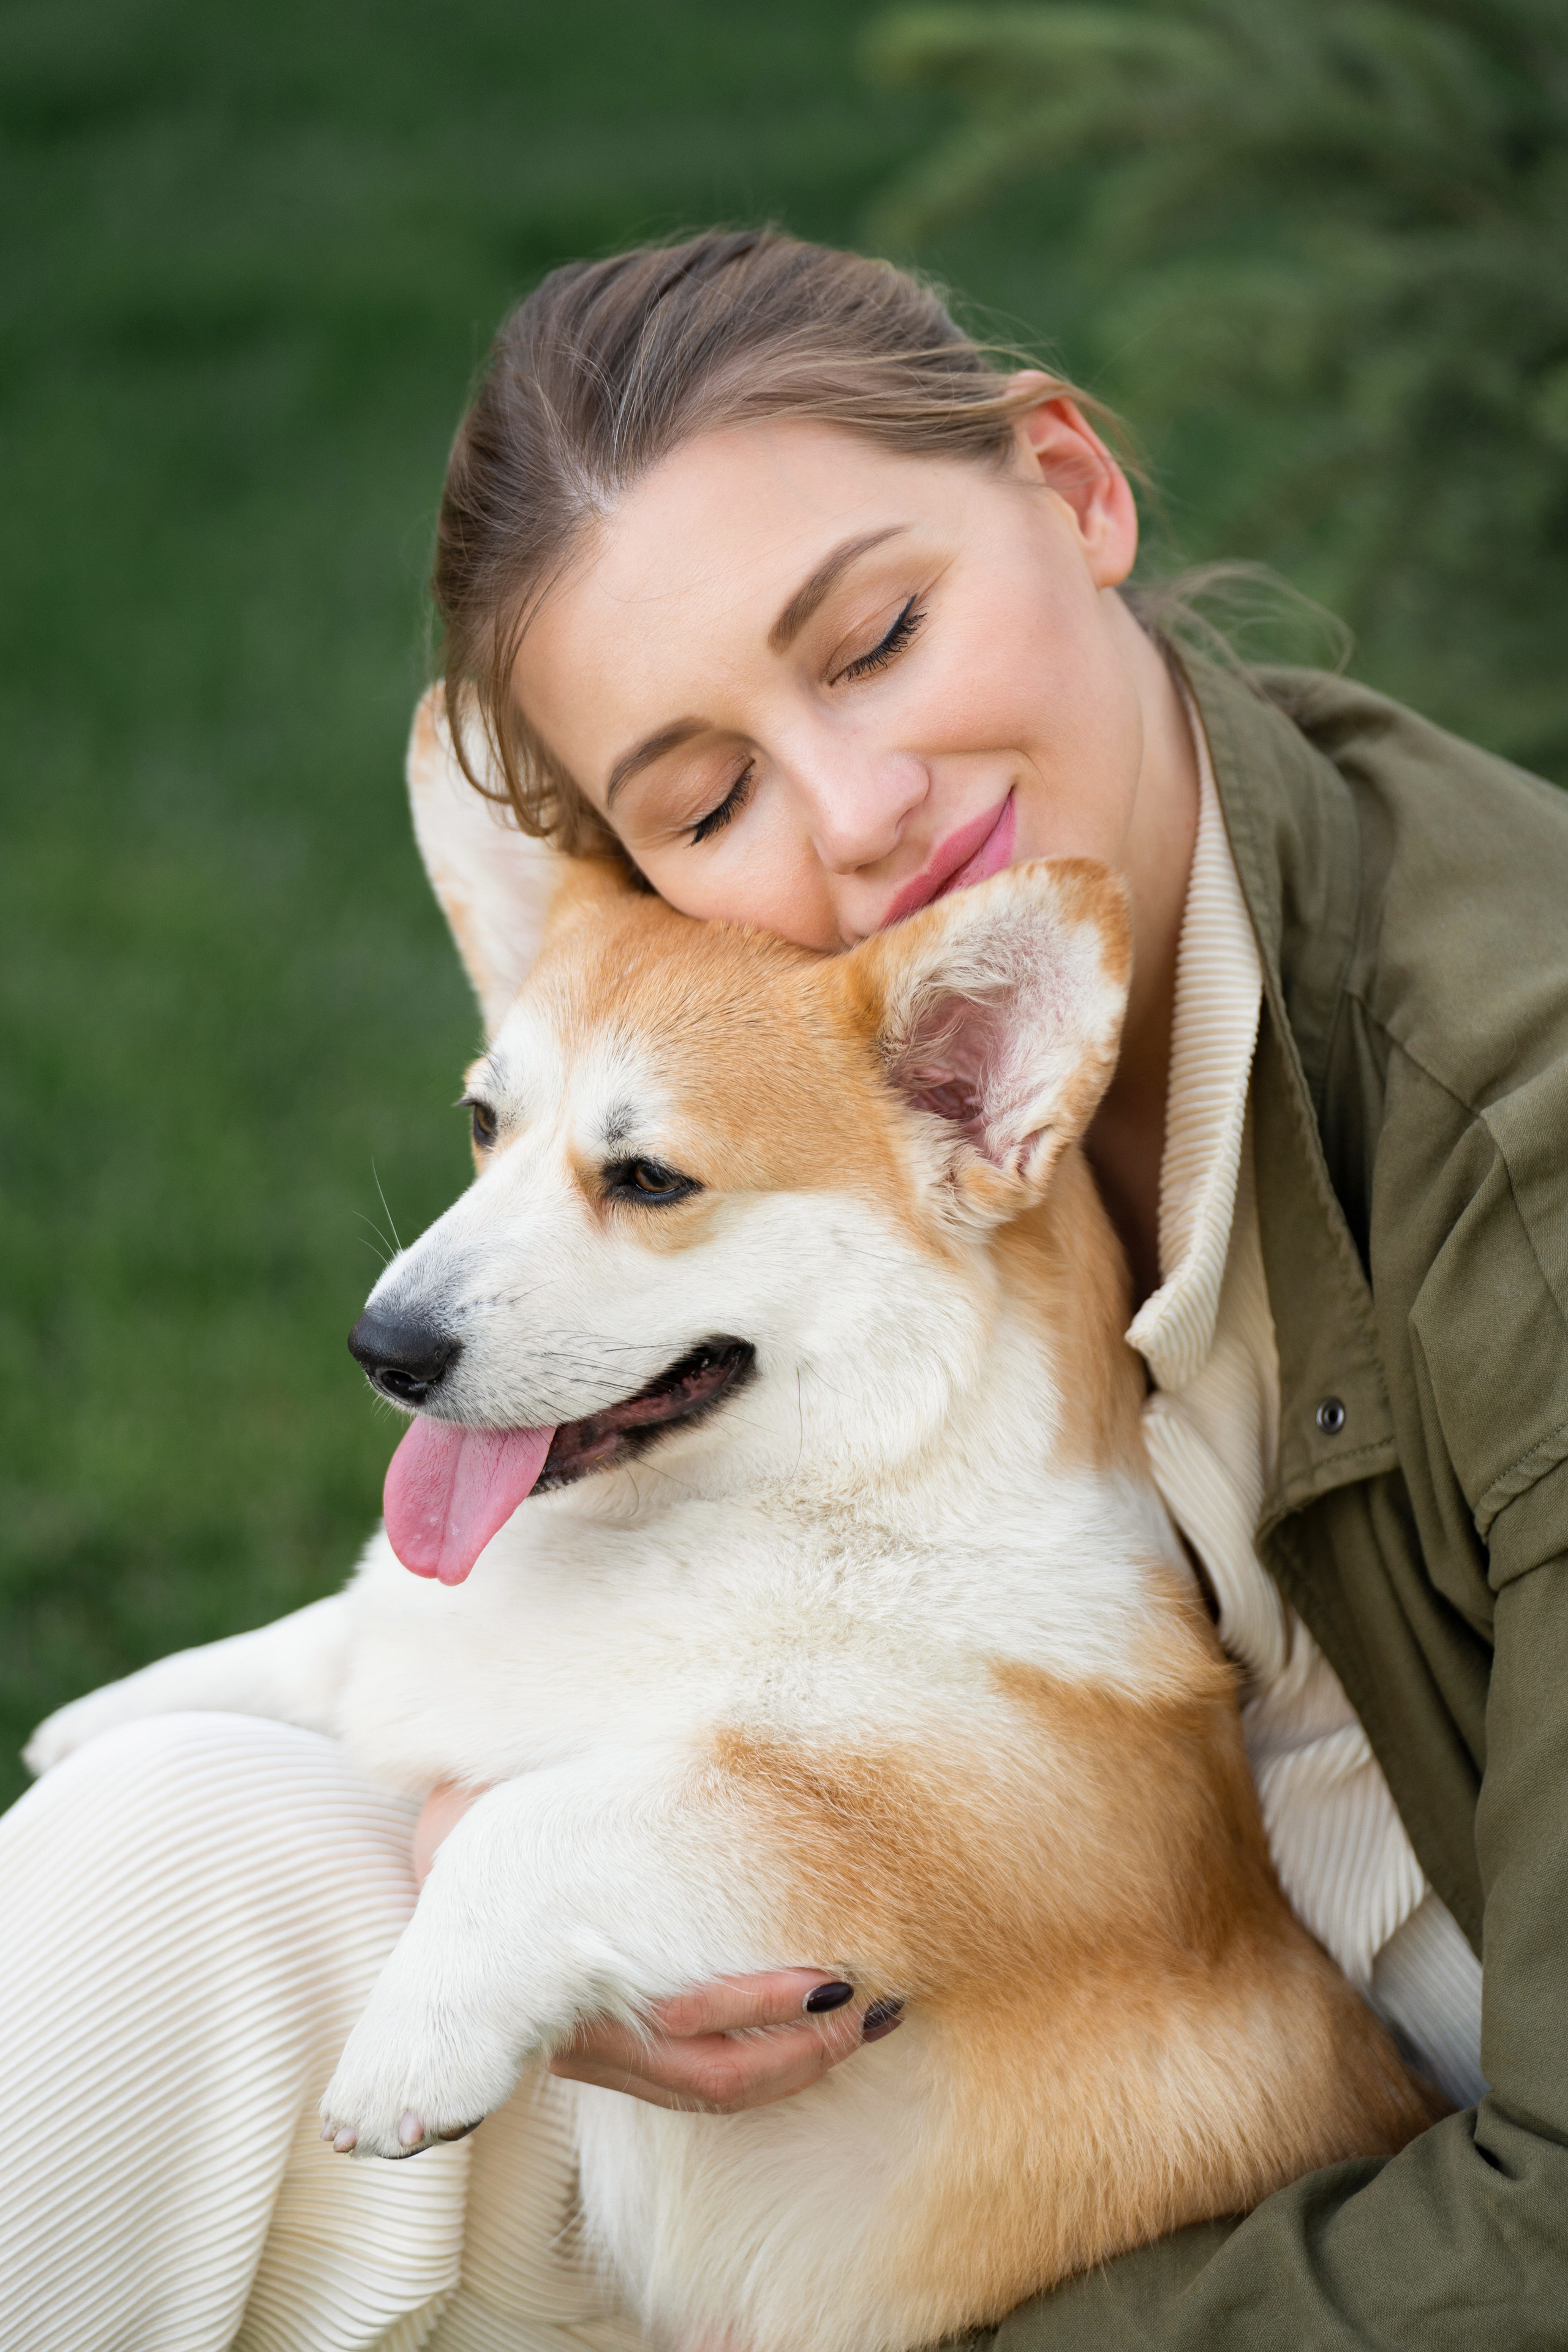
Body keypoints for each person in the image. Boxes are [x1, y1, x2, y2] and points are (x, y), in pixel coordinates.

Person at [4, 227, 1566, 2349]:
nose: (856, 815)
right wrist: (527, 1844)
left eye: (883, 634)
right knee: (162, 1852)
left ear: (1075, 488)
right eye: (708, 793)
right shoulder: (869, 1087)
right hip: (844, 2145)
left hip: (1257, 2276)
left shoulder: (1519, 1143)